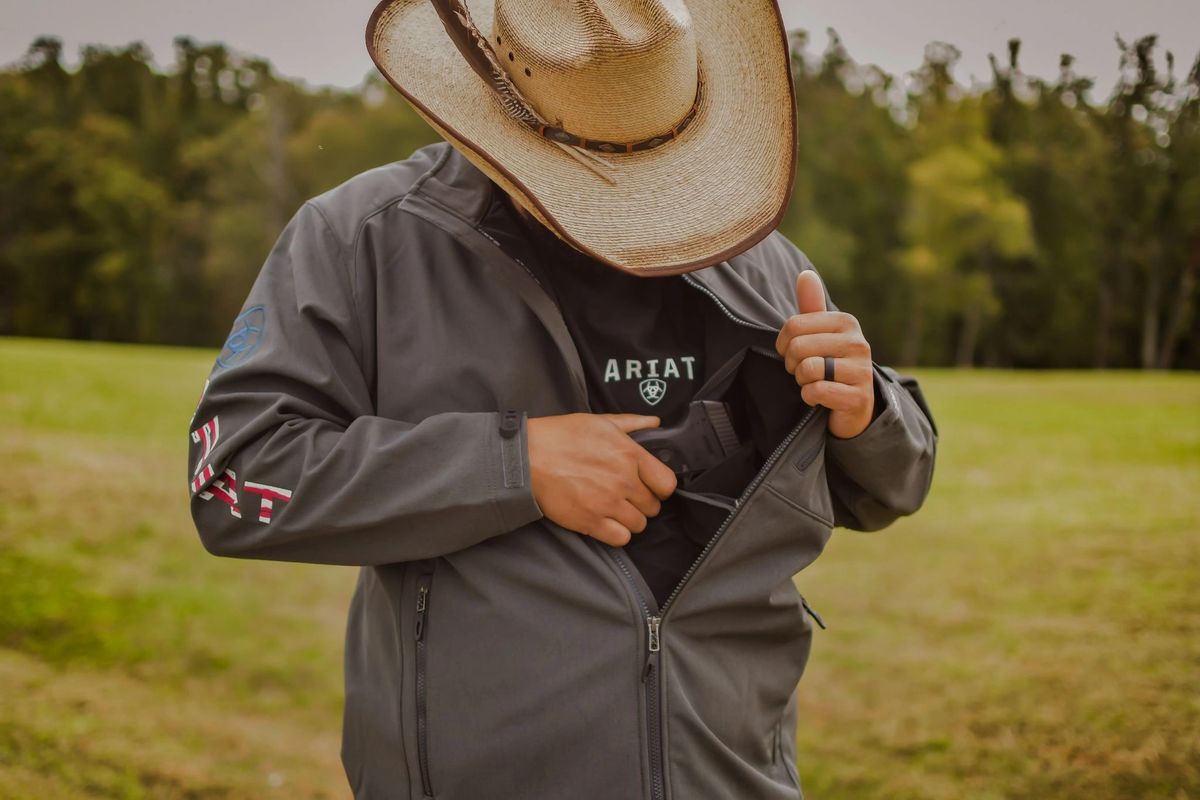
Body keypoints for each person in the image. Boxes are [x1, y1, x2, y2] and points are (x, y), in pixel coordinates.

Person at [186, 1, 939, 798]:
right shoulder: (362, 240)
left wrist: (868, 411)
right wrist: (515, 466)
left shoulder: (755, 254)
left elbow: (898, 483)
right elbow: (232, 480)